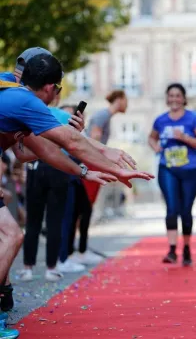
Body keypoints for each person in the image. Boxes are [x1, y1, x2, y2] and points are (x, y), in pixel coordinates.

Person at [0, 52, 153, 297]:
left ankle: (4, 297)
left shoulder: (11, 92)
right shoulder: (25, 101)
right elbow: (72, 141)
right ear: (51, 87)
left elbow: (40, 151)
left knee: (6, 238)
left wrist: (84, 171)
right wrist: (114, 166)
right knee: (11, 235)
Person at [20, 96, 86, 282]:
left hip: (35, 166)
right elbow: (78, 145)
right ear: (55, 95)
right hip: (59, 166)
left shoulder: (27, 113)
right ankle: (52, 267)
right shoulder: (65, 116)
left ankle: (27, 268)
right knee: (55, 220)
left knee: (33, 221)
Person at [148, 83, 196, 266]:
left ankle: (187, 247)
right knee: (171, 207)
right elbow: (152, 137)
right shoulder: (161, 120)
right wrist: (155, 146)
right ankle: (172, 250)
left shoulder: (194, 119)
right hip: (168, 168)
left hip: (191, 170)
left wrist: (185, 138)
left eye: (178, 96)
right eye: (171, 95)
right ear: (167, 99)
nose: (174, 99)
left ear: (183, 99)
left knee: (185, 209)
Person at [85, 90, 128, 226]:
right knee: (86, 202)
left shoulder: (105, 116)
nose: (127, 104)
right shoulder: (103, 115)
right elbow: (94, 140)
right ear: (119, 99)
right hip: (90, 162)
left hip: (92, 161)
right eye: (126, 100)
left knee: (87, 203)